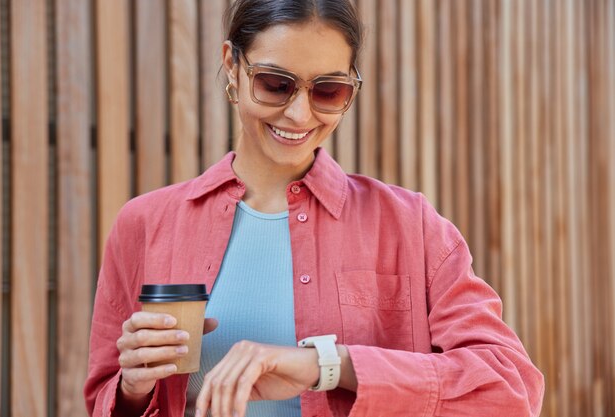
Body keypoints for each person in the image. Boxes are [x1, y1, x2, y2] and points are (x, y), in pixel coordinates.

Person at [84, 1, 545, 416]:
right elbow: (104, 400)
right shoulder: (145, 224)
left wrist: (328, 365)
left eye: (328, 91)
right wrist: (133, 389)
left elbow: (510, 388)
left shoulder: (410, 226)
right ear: (232, 66)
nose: (300, 115)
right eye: (274, 83)